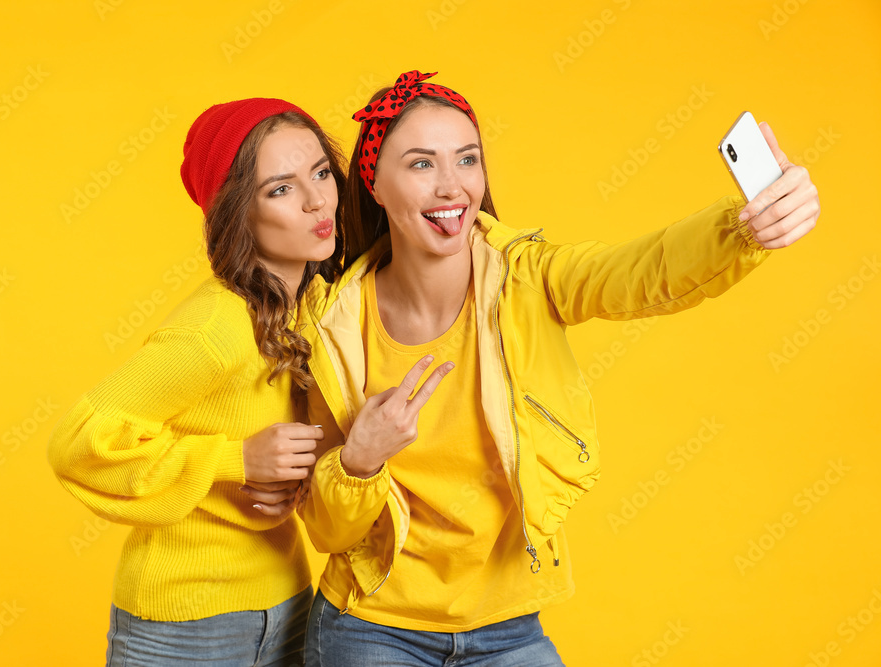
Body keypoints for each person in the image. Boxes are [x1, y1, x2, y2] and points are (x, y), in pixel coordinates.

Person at [294, 70, 820, 666]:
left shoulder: (529, 279)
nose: (451, 186)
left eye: (467, 159)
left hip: (509, 629)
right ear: (375, 184)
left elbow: (642, 270)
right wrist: (360, 459)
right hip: (370, 626)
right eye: (421, 164)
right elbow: (329, 532)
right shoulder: (333, 325)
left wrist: (743, 227)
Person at [47, 97, 347, 666]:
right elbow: (76, 445)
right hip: (183, 623)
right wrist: (236, 461)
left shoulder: (313, 304)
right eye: (281, 189)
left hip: (287, 601)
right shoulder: (216, 326)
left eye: (321, 173)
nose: (316, 201)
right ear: (239, 213)